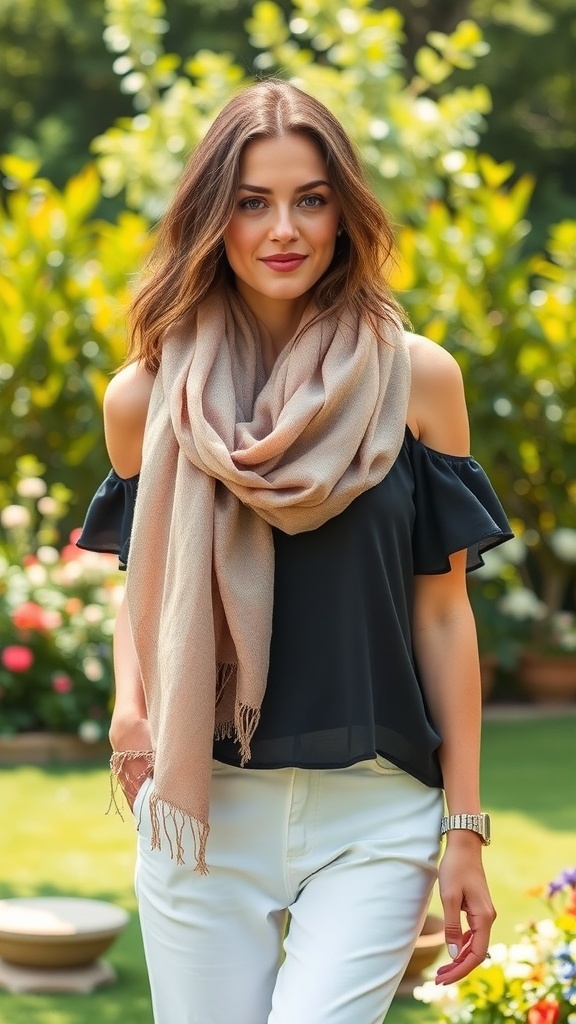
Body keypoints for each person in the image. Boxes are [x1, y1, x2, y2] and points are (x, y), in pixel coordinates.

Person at [78, 79, 513, 1024]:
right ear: (212, 218)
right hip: (203, 805)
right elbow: (142, 588)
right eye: (253, 202)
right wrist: (130, 707)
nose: (286, 229)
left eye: (311, 199)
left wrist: (466, 829)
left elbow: (443, 613)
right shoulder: (144, 399)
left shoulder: (418, 380)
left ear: (344, 211)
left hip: (375, 808)